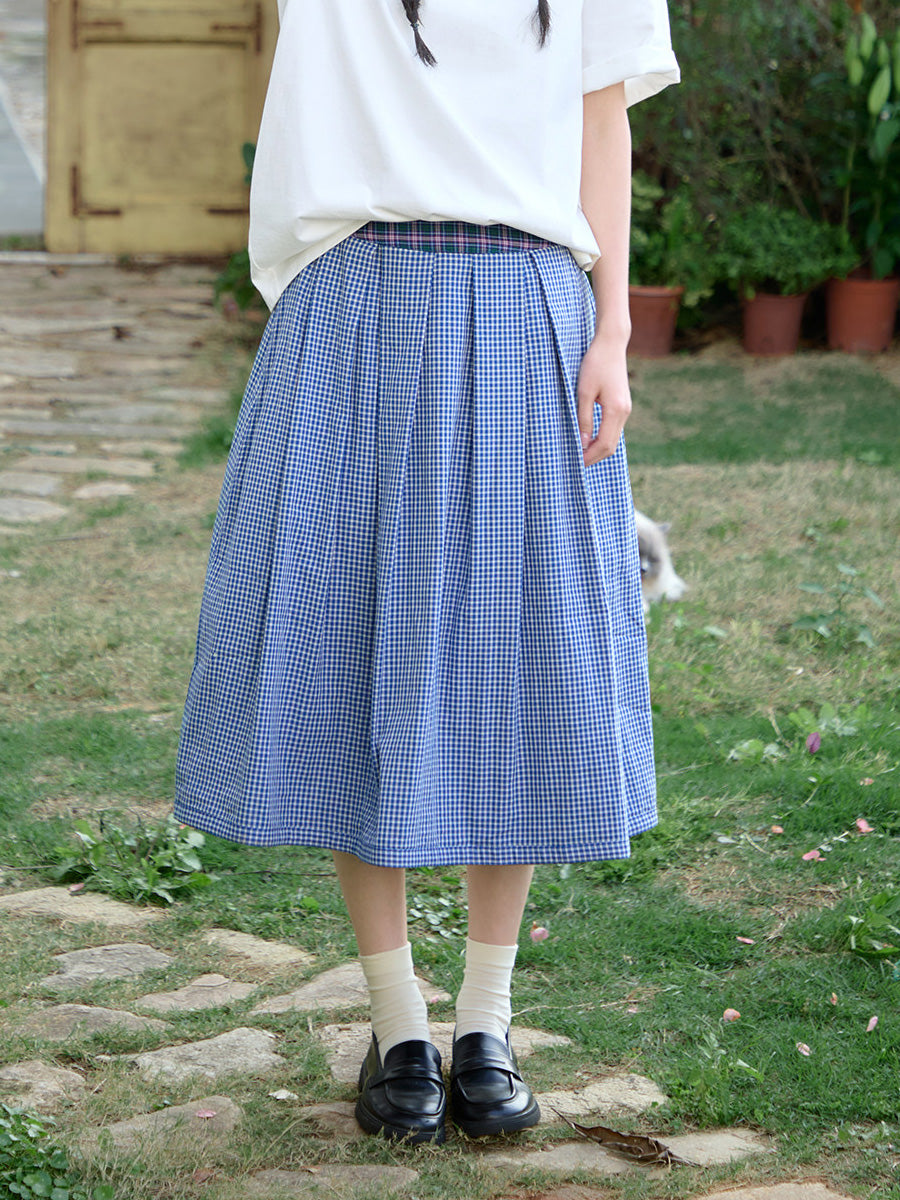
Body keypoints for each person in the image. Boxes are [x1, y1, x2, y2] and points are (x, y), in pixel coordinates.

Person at [175, 0, 679, 1147]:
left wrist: (611, 331)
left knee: (517, 659)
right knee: (363, 648)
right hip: (359, 308)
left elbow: (603, 118)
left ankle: (486, 1021)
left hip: (531, 306)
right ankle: (398, 1023)